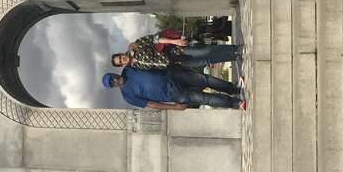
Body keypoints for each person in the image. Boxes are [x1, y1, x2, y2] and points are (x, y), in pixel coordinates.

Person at [101, 67, 244, 110]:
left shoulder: (128, 69)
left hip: (173, 75)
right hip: (174, 94)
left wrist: (132, 46)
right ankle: (235, 103)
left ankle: (235, 89)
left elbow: (137, 53)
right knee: (204, 98)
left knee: (204, 79)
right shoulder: (127, 96)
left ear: (114, 73)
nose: (114, 80)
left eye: (112, 77)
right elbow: (150, 104)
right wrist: (174, 107)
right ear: (114, 87)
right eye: (112, 83)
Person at [111, 32, 242, 71]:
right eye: (120, 61)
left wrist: (176, 42)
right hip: (177, 64)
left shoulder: (135, 47)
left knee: (205, 51)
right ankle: (233, 57)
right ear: (122, 65)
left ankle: (235, 48)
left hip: (176, 51)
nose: (123, 59)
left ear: (122, 54)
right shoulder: (135, 68)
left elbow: (155, 39)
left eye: (121, 57)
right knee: (206, 60)